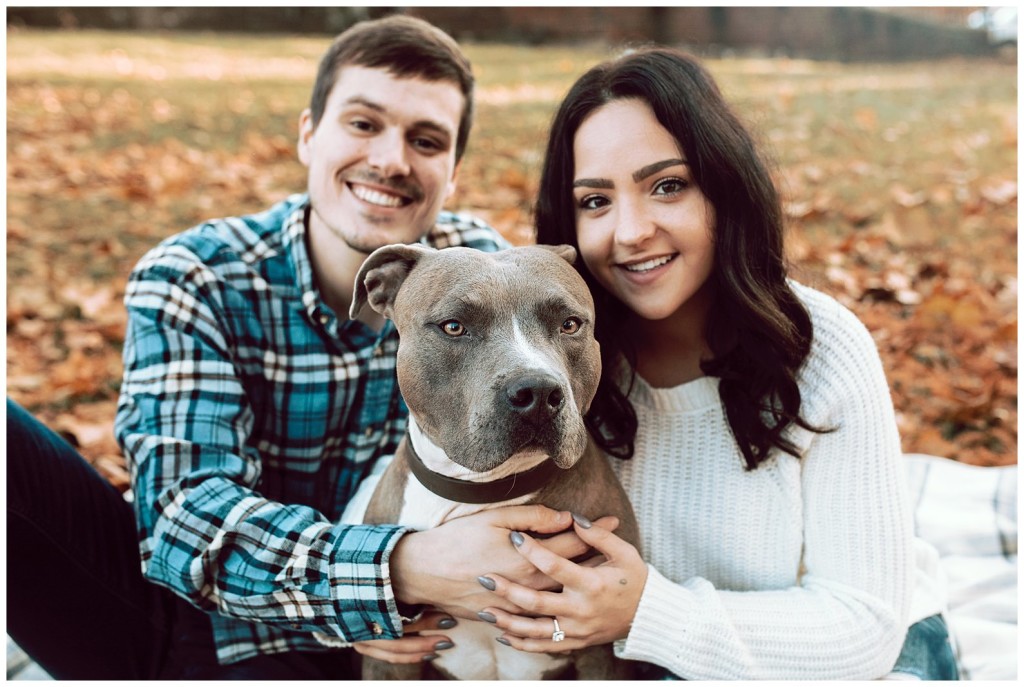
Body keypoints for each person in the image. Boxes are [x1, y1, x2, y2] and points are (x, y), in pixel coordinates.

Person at [7, 15, 602, 679]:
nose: (390, 159)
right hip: (183, 625)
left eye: (426, 140)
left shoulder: (478, 278)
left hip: (394, 650)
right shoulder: (198, 275)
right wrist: (401, 569)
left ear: (452, 170)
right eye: (363, 123)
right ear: (308, 134)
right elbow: (184, 525)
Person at [470, 47, 959, 680]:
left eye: (667, 186)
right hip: (664, 660)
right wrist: (402, 571)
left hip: (862, 654)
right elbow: (425, 460)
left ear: (725, 188)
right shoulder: (557, 357)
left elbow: (863, 625)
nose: (631, 231)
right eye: (595, 201)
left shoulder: (823, 349)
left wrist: (646, 613)